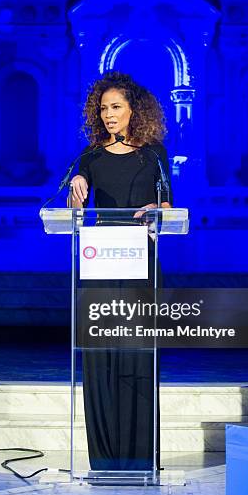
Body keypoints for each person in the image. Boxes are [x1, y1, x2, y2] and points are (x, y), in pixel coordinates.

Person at [70, 71, 172, 472]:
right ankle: (104, 457)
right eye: (103, 108)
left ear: (134, 110)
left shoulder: (154, 154)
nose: (108, 115)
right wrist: (76, 189)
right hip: (100, 267)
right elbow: (76, 215)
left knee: (138, 357)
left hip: (140, 266)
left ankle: (140, 457)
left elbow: (169, 207)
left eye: (116, 107)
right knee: (101, 359)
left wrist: (155, 212)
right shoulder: (90, 157)